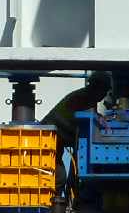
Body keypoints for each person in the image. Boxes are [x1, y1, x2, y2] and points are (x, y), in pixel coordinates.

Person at [41, 71, 112, 205]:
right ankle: (53, 204)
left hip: (58, 138)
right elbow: (83, 119)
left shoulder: (88, 98)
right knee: (58, 176)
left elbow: (92, 117)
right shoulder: (83, 97)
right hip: (48, 138)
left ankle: (62, 202)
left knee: (67, 174)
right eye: (104, 91)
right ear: (97, 87)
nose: (104, 96)